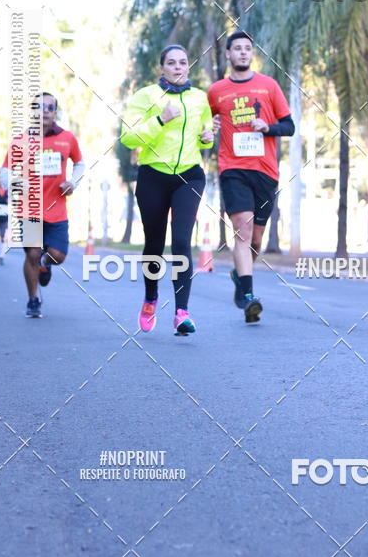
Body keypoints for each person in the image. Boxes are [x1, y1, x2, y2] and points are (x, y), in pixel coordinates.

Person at [120, 45, 214, 336]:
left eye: (183, 62)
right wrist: (160, 120)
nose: (177, 67)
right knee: (154, 244)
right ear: (161, 67)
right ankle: (150, 299)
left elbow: (204, 135)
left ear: (188, 66)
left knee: (183, 241)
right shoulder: (145, 96)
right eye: (171, 63)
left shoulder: (199, 98)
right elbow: (128, 138)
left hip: (190, 175)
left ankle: (181, 312)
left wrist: (207, 138)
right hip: (153, 177)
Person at [208, 31, 295, 323]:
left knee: (255, 240)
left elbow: (289, 126)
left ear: (252, 54)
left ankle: (239, 275)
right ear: (228, 55)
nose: (243, 53)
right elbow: (206, 123)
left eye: (247, 49)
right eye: (237, 49)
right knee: (242, 232)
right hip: (232, 168)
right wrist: (210, 126)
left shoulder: (268, 86)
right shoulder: (216, 90)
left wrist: (267, 127)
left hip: (265, 171)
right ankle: (248, 296)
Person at [0, 93, 85, 318]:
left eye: (50, 107)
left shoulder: (67, 138)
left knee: (58, 255)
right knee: (32, 254)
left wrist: (73, 182)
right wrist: (14, 184)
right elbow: (4, 171)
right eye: (39, 106)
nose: (45, 110)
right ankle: (33, 299)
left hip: (57, 210)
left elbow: (80, 163)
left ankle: (46, 264)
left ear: (55, 112)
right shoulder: (21, 140)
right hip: (30, 209)